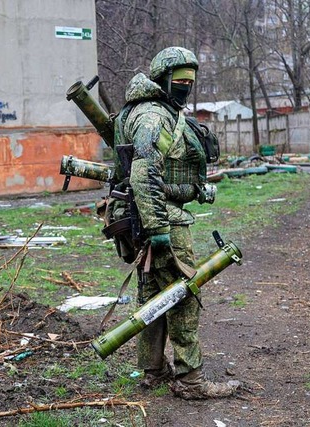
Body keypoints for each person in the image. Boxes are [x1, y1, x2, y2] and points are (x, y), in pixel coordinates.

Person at [114, 46, 240, 399]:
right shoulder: (154, 116)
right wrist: (158, 230)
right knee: (183, 295)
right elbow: (144, 172)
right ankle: (190, 380)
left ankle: (152, 372)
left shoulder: (145, 109)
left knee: (154, 296)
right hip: (161, 220)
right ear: (162, 79)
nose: (186, 87)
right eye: (180, 81)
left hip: (143, 216)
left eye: (190, 81)